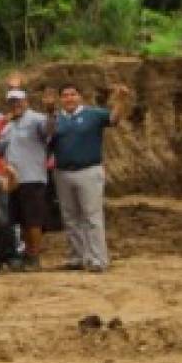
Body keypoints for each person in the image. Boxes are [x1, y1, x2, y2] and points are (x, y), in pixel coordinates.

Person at [47, 81, 131, 273]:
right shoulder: (56, 119)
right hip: (63, 173)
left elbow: (114, 119)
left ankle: (98, 259)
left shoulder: (93, 114)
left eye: (72, 94)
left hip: (89, 171)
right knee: (69, 218)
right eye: (65, 95)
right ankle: (76, 257)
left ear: (80, 97)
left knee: (92, 216)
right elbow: (47, 137)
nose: (69, 98)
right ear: (61, 99)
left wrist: (121, 101)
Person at [0, 74, 53, 270]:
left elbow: (49, 130)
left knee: (33, 221)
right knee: (19, 221)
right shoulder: (8, 126)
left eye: (18, 100)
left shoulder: (37, 118)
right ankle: (26, 254)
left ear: (26, 101)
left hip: (33, 178)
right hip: (14, 181)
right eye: (11, 101)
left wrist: (51, 110)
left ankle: (34, 257)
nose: (15, 104)